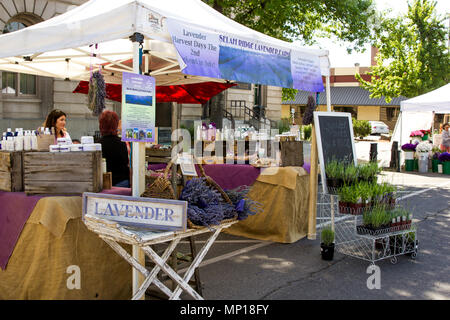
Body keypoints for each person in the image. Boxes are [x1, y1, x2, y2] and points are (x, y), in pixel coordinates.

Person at [99, 110, 130, 188]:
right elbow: (127, 162)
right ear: (116, 125)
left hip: (103, 184)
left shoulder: (97, 145)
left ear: (101, 125)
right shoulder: (123, 143)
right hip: (122, 183)